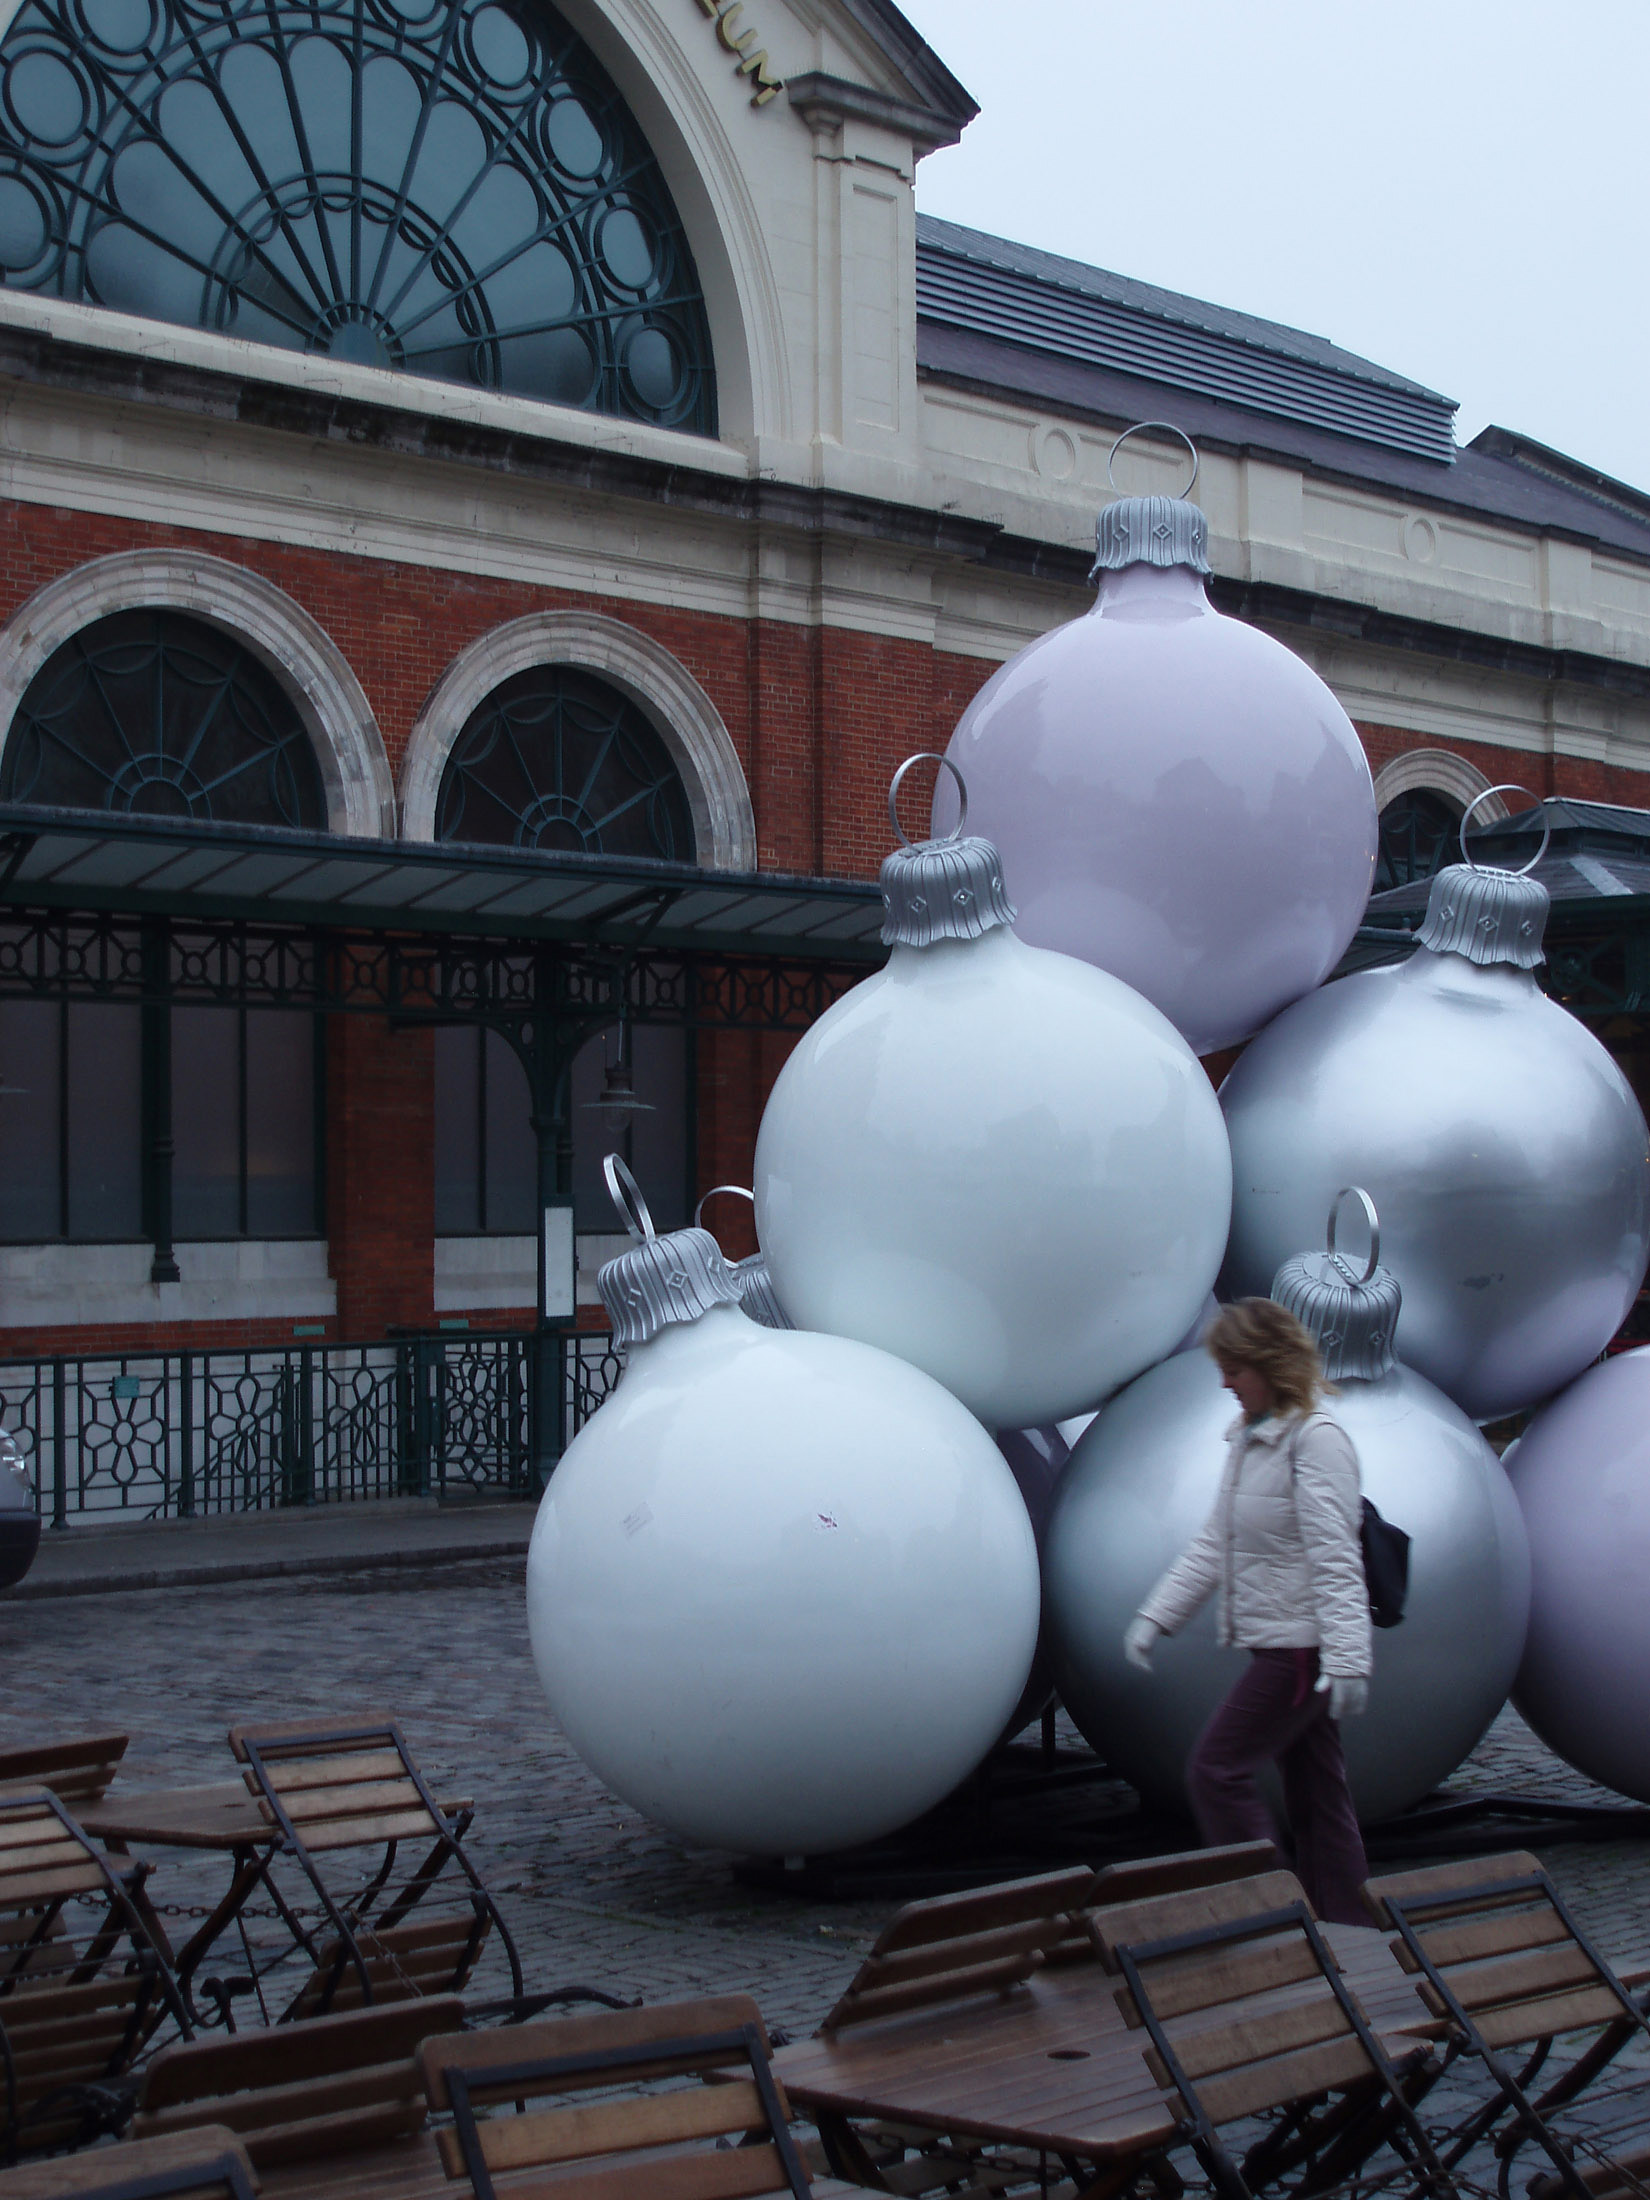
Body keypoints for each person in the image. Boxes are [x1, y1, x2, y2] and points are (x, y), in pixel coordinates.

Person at [1122, 1297, 1372, 1924]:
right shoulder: (1252, 1439)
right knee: (1318, 1793)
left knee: (1215, 1771)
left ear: (1270, 1363)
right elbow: (1215, 1542)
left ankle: (1272, 1914)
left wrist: (1346, 1660)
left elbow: (1336, 1555)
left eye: (1235, 1367)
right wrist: (1157, 1617)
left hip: (1300, 1651)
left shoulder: (1316, 1441)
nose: (1225, 1381)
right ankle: (1347, 1925)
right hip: (1288, 1648)